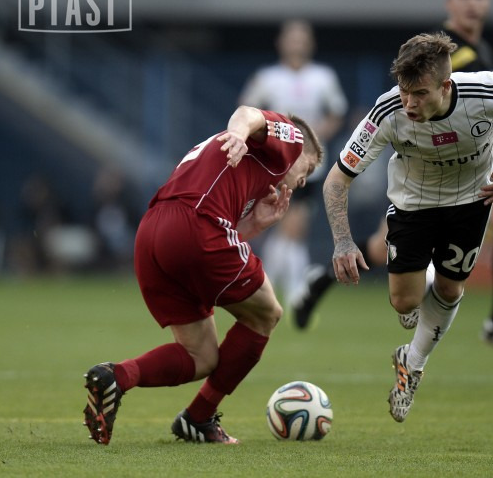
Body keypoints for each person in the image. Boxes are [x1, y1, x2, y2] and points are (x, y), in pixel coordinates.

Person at [299, 0, 493, 362]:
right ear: (449, 2)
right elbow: (433, 112)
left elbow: (480, 117)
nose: (473, 4)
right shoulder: (450, 56)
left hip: (466, 167)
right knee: (394, 252)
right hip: (425, 167)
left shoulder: (481, 50)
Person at [323, 32, 493, 422]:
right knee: (404, 302)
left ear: (446, 86)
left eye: (420, 93)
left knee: (449, 288)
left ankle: (412, 364)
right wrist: (342, 241)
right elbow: (337, 179)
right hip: (413, 204)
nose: (409, 102)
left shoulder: (483, 93)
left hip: (471, 202)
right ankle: (420, 289)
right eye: (404, 91)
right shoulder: (387, 110)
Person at [82, 106, 322, 445]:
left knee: (202, 356)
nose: (303, 180)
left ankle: (116, 377)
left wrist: (254, 225)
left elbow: (208, 236)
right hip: (195, 224)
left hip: (153, 233)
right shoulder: (291, 139)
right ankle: (199, 417)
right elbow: (248, 113)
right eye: (308, 169)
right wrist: (238, 134)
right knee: (267, 313)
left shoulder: (249, 167)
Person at [239, 19, 347, 318]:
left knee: (294, 227)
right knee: (284, 225)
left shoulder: (323, 76)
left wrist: (314, 137)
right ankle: (287, 287)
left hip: (310, 166)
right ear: (281, 42)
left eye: (302, 38)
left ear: (310, 43)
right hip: (274, 162)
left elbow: (336, 112)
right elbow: (247, 108)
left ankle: (269, 284)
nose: (296, 43)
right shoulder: (267, 77)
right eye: (291, 38)